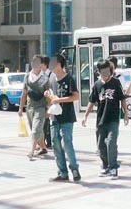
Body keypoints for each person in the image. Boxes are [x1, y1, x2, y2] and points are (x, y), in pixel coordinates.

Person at [82, 59, 129, 180]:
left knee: (111, 142)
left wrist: (126, 113)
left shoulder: (115, 82)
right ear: (99, 71)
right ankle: (105, 165)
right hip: (100, 119)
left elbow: (122, 99)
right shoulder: (97, 84)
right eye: (103, 70)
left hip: (113, 118)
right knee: (100, 145)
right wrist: (85, 116)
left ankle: (113, 167)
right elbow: (91, 101)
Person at [45, 53, 81, 183]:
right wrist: (48, 97)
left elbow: (76, 96)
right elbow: (52, 97)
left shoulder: (69, 79)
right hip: (55, 117)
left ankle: (74, 169)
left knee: (67, 143)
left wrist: (60, 100)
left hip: (67, 117)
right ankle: (62, 172)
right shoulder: (52, 79)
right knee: (55, 143)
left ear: (59, 64)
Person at [18, 55, 50, 159]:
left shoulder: (45, 79)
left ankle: (31, 151)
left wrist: (48, 109)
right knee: (36, 128)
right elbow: (24, 93)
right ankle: (43, 147)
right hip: (29, 107)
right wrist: (20, 108)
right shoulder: (27, 76)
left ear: (41, 65)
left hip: (40, 107)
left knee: (36, 129)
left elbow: (49, 95)